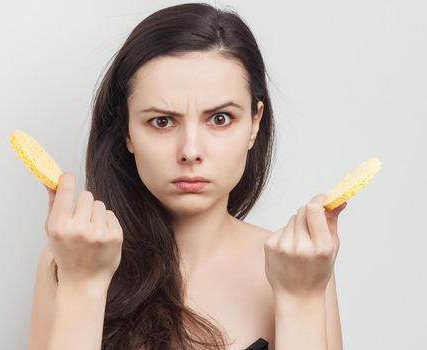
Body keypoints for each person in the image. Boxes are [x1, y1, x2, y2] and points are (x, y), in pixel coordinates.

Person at [28, 3, 347, 349]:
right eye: (162, 121)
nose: (191, 151)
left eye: (220, 119)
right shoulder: (70, 259)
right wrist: (82, 284)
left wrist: (300, 297)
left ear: (254, 123)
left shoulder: (303, 268)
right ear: (127, 130)